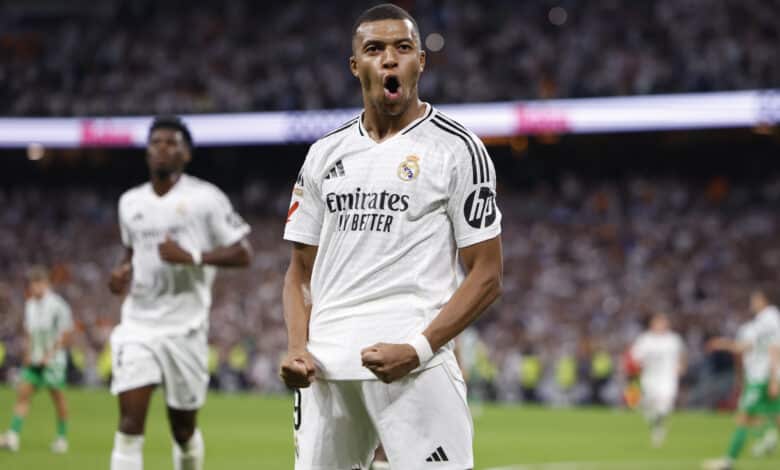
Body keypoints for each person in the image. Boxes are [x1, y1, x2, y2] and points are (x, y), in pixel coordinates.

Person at [279, 4, 503, 469]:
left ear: (420, 61)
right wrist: (298, 348)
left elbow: (487, 274)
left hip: (416, 369)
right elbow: (300, 271)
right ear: (355, 64)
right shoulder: (324, 154)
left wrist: (417, 349)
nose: (389, 59)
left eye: (403, 48)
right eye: (374, 49)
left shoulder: (459, 149)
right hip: (327, 373)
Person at [107, 116, 252, 470]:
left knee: (183, 429)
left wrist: (193, 257)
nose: (162, 149)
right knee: (129, 425)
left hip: (185, 329)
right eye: (156, 143)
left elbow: (243, 253)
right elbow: (130, 250)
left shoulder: (206, 198)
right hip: (138, 325)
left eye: (171, 143)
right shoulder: (130, 202)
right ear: (146, 152)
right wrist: (121, 272)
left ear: (186, 154)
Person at [702, 290, 780, 470]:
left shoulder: (770, 317)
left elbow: (774, 347)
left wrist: (774, 378)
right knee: (775, 418)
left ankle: (728, 462)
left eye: (754, 299)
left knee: (744, 417)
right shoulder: (761, 322)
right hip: (763, 376)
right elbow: (746, 347)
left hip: (763, 377)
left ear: (762, 300)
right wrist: (721, 343)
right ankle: (765, 437)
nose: (752, 303)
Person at [0, 266, 73, 453]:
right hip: (35, 359)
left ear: (46, 284)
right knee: (23, 394)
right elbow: (30, 333)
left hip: (53, 362)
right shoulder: (30, 305)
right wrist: (28, 355)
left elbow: (65, 334)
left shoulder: (58, 305)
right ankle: (13, 435)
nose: (35, 288)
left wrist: (49, 356)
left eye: (39, 283)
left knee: (58, 398)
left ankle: (62, 438)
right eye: (33, 284)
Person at [629, 312, 686, 447]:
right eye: (658, 322)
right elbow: (635, 357)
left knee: (665, 403)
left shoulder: (674, 339)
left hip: (668, 377)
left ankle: (658, 429)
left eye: (663, 322)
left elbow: (682, 354)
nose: (661, 325)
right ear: (652, 324)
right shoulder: (645, 339)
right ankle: (656, 426)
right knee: (647, 405)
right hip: (649, 377)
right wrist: (636, 367)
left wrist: (681, 366)